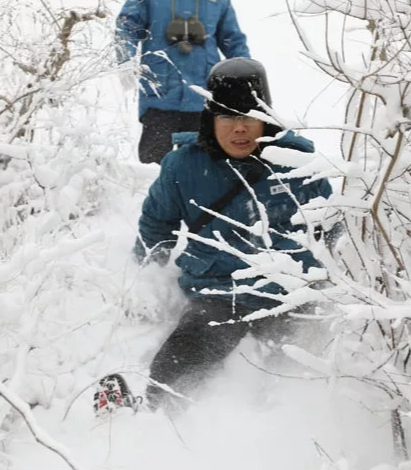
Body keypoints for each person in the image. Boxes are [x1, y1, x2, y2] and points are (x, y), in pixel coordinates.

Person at [133, 57, 339, 411]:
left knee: (297, 381)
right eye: (227, 116)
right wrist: (145, 278)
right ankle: (148, 421)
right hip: (219, 293)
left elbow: (331, 226)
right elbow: (156, 226)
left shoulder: (297, 163)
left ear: (266, 119)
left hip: (291, 295)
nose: (239, 128)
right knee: (175, 367)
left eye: (249, 116)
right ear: (210, 119)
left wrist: (320, 278)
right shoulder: (183, 166)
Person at [115, 0, 251, 165]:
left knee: (201, 169)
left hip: (202, 99)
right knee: (152, 169)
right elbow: (126, 26)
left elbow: (232, 39)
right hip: (159, 97)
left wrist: (246, 74)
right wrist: (125, 60)